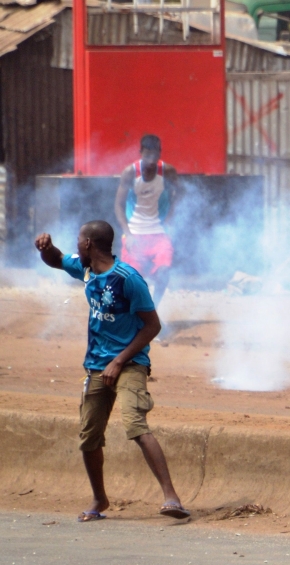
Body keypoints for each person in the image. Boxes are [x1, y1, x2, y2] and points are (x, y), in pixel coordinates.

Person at [34, 221, 189, 522]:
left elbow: (153, 325)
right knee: (89, 435)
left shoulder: (128, 279)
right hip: (95, 365)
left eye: (79, 240)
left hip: (129, 363)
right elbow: (56, 260)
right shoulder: (86, 268)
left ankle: (171, 497)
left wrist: (119, 361)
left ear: (89, 243)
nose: (76, 245)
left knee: (136, 424)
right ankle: (99, 499)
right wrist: (46, 248)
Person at [113, 134, 178, 307]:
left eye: (155, 154)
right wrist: (128, 234)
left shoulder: (168, 172)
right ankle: (138, 311)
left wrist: (170, 221)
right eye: (147, 154)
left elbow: (177, 196)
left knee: (164, 270)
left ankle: (153, 309)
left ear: (160, 153)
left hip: (159, 232)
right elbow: (119, 205)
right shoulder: (130, 173)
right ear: (140, 152)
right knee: (133, 279)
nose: (151, 159)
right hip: (135, 232)